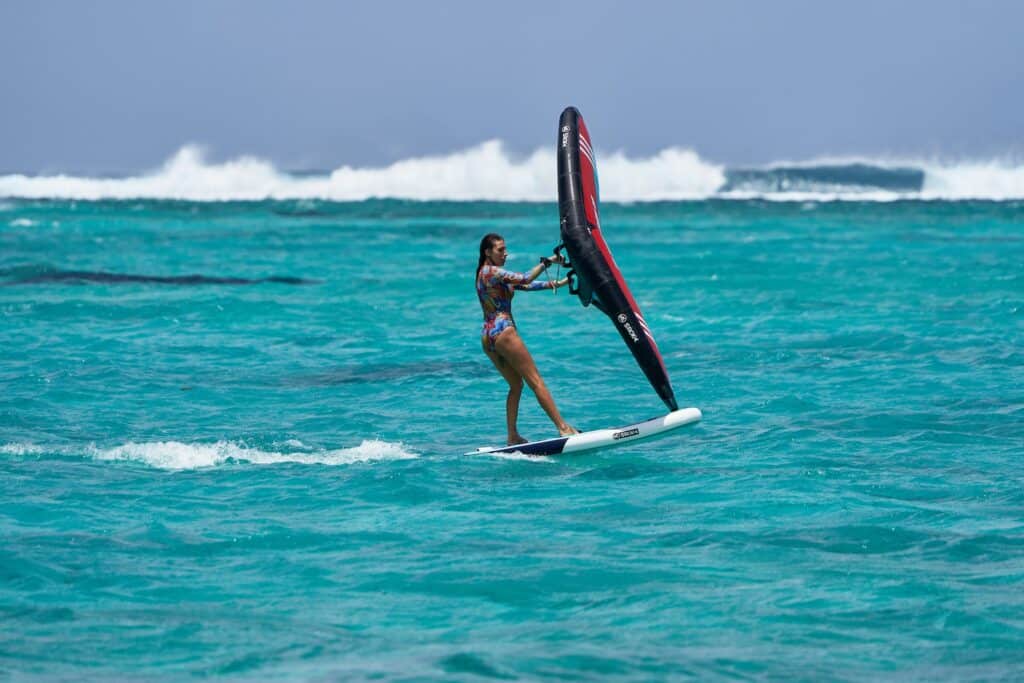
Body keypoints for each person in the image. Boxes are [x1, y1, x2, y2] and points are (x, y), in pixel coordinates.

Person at [476, 233, 579, 445]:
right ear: (487, 252)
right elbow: (525, 278)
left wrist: (559, 283)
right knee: (536, 381)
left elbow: (524, 286)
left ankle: (512, 436)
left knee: (516, 385)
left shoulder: (484, 274)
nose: (505, 254)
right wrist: (548, 262)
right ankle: (563, 428)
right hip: (503, 331)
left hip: (488, 336)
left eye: (505, 249)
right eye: (500, 250)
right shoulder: (491, 271)